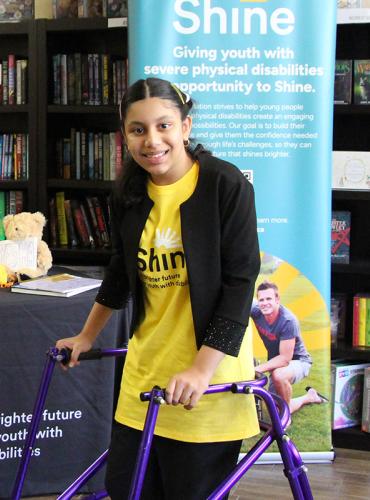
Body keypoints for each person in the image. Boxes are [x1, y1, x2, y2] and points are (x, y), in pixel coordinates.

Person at [56, 77, 261, 499]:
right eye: (138, 129)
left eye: (164, 125)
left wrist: (200, 371)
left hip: (206, 380)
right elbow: (119, 271)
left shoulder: (226, 185)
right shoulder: (130, 192)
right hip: (144, 377)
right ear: (125, 135)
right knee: (126, 490)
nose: (152, 140)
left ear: (185, 127)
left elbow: (240, 286)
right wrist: (86, 335)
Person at [251, 281, 327, 414]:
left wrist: (257, 369)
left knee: (279, 376)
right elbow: (241, 299)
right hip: (277, 365)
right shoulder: (257, 311)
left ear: (277, 299)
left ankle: (285, 417)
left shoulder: (288, 321)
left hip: (299, 361)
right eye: (261, 299)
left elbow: (285, 359)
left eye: (269, 298)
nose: (265, 303)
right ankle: (309, 397)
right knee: (274, 407)